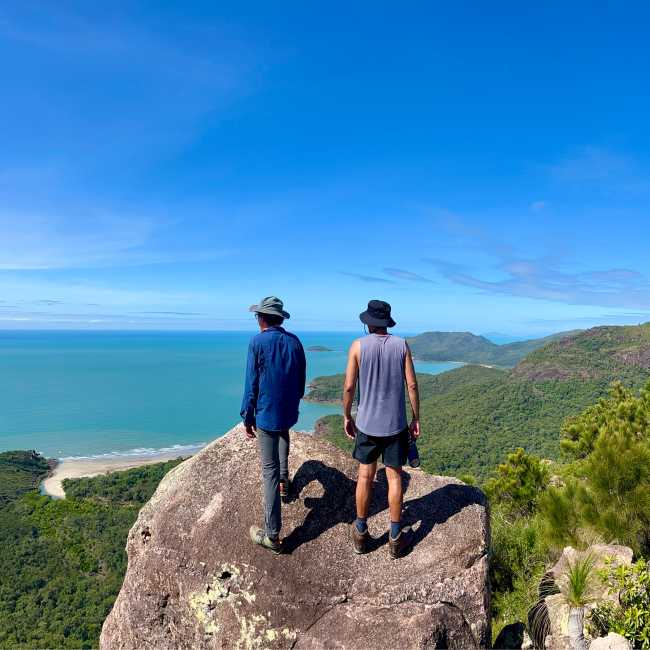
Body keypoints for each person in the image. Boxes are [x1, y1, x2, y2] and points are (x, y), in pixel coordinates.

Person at [343, 299, 421, 559]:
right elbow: (411, 385)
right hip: (395, 425)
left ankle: (361, 532)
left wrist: (346, 415)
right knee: (394, 477)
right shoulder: (402, 345)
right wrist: (416, 418)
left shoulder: (357, 346)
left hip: (366, 424)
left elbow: (349, 388)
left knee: (365, 476)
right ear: (387, 322)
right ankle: (396, 537)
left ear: (368, 323)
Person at [240, 296, 306, 554]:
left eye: (257, 316)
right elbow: (301, 380)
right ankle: (284, 481)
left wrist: (247, 415)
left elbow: (251, 382)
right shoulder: (294, 341)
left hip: (267, 413)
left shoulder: (257, 342)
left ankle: (272, 535)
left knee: (267, 471)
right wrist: (292, 401)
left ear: (262, 319)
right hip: (287, 410)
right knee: (283, 433)